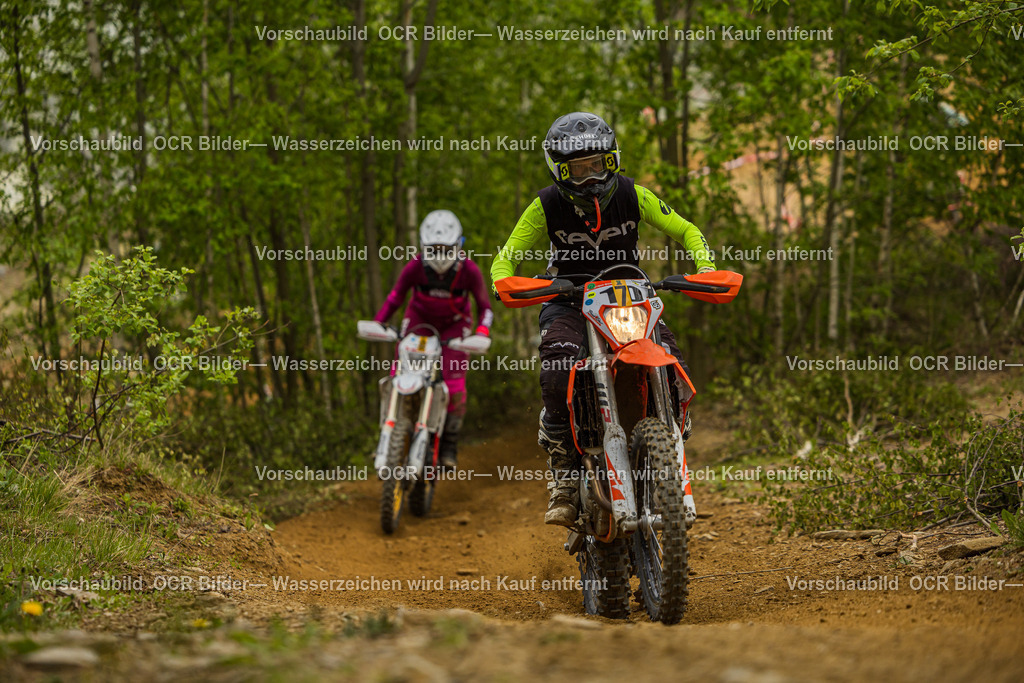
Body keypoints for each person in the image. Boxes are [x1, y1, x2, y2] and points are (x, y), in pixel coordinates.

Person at [490, 112, 716, 527]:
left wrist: (703, 268)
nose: (591, 176)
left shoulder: (634, 195)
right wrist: (508, 283)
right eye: (579, 168)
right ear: (560, 170)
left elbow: (686, 230)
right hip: (568, 299)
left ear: (611, 159)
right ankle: (562, 474)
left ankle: (670, 435)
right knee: (558, 371)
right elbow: (505, 257)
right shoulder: (547, 205)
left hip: (628, 294)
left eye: (598, 164)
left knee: (674, 361)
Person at [372, 209, 493, 468]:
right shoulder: (415, 266)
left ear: (458, 245)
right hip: (419, 322)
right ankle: (390, 430)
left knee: (454, 381)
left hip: (455, 325)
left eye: (444, 249)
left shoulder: (469, 271)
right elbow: (395, 297)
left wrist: (482, 332)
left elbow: (486, 307)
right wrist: (379, 323)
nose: (439, 255)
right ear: (424, 246)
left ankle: (449, 443)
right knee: (398, 370)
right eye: (433, 249)